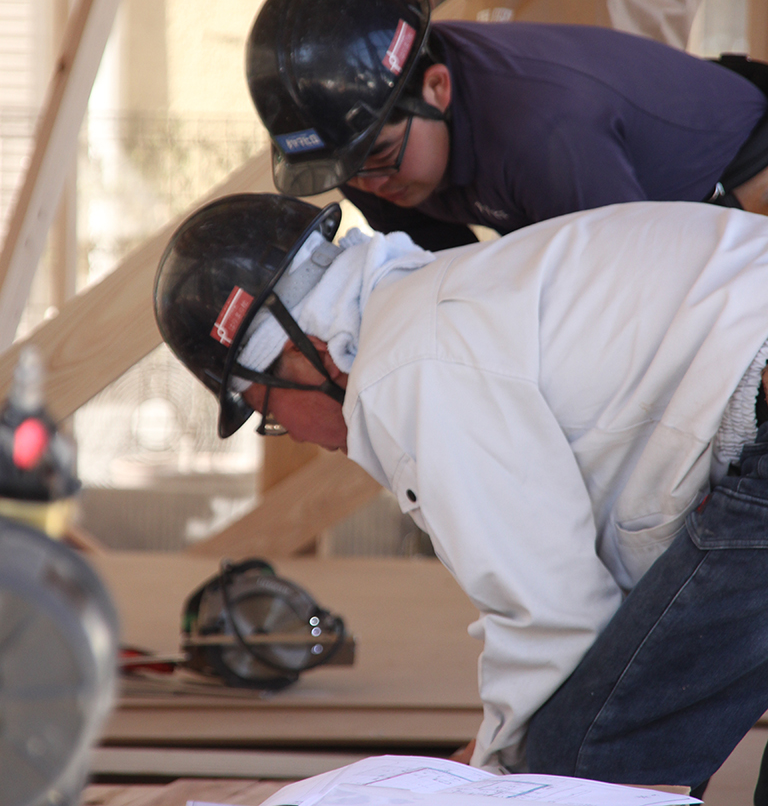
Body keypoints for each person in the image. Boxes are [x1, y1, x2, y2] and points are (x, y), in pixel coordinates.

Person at [156, 191, 768, 797]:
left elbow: (551, 612)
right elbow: (610, 594)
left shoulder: (405, 366)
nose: (292, 435)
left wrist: (492, 771)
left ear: (302, 351)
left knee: (590, 755)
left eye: (268, 412)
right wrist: (496, 747)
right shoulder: (440, 299)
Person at [245, 0, 768, 251]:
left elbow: (634, 294)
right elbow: (446, 279)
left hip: (743, 168)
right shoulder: (364, 146)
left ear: (437, 89)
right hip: (631, 221)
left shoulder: (541, 132)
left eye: (377, 156)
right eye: (346, 171)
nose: (370, 186)